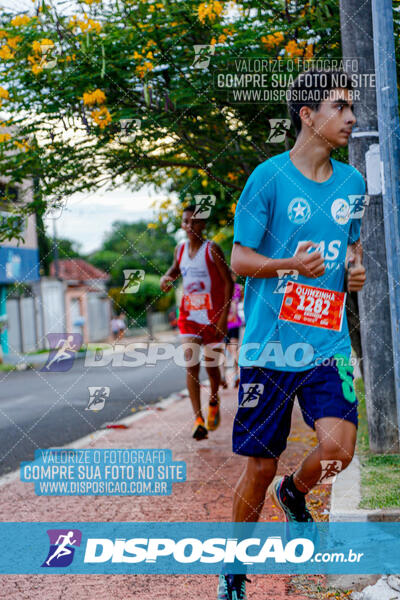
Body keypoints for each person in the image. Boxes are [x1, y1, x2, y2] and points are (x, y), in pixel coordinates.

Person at [218, 70, 367, 599]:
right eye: (339, 107)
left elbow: (350, 246)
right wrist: (287, 265)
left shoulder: (353, 183)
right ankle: (233, 571)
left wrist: (354, 268)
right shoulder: (267, 178)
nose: (351, 117)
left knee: (339, 450)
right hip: (270, 345)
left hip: (327, 342)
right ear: (307, 115)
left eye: (352, 107)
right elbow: (238, 258)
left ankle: (295, 491)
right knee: (258, 467)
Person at [160, 205, 233, 440]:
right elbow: (174, 271)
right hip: (189, 318)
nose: (189, 226)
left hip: (212, 318)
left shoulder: (213, 250)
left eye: (195, 222)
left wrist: (223, 317)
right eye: (186, 222)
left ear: (203, 225)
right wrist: (166, 277)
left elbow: (229, 283)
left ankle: (214, 398)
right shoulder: (179, 250)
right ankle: (198, 419)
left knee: (212, 370)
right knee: (191, 364)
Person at [220, 270, 243, 388]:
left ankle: (232, 376)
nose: (232, 277)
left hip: (233, 324)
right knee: (227, 351)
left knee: (228, 350)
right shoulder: (221, 288)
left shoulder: (239, 288)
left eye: (233, 275)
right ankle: (229, 376)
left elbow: (244, 303)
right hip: (224, 325)